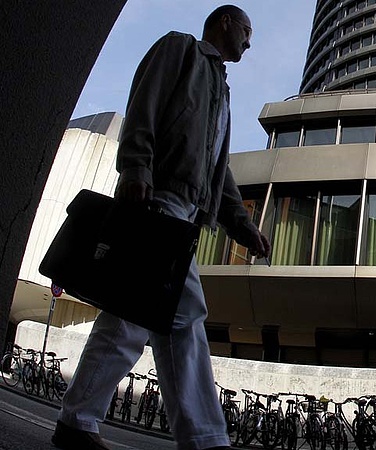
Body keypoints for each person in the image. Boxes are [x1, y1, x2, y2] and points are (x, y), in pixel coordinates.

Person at [52, 5, 269, 450]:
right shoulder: (181, 49)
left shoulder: (222, 91)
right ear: (225, 23)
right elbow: (144, 103)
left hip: (185, 215)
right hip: (159, 200)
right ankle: (201, 438)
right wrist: (136, 167)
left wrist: (241, 225)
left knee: (153, 318)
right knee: (154, 317)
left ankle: (83, 421)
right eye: (247, 31)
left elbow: (218, 171)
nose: (250, 43)